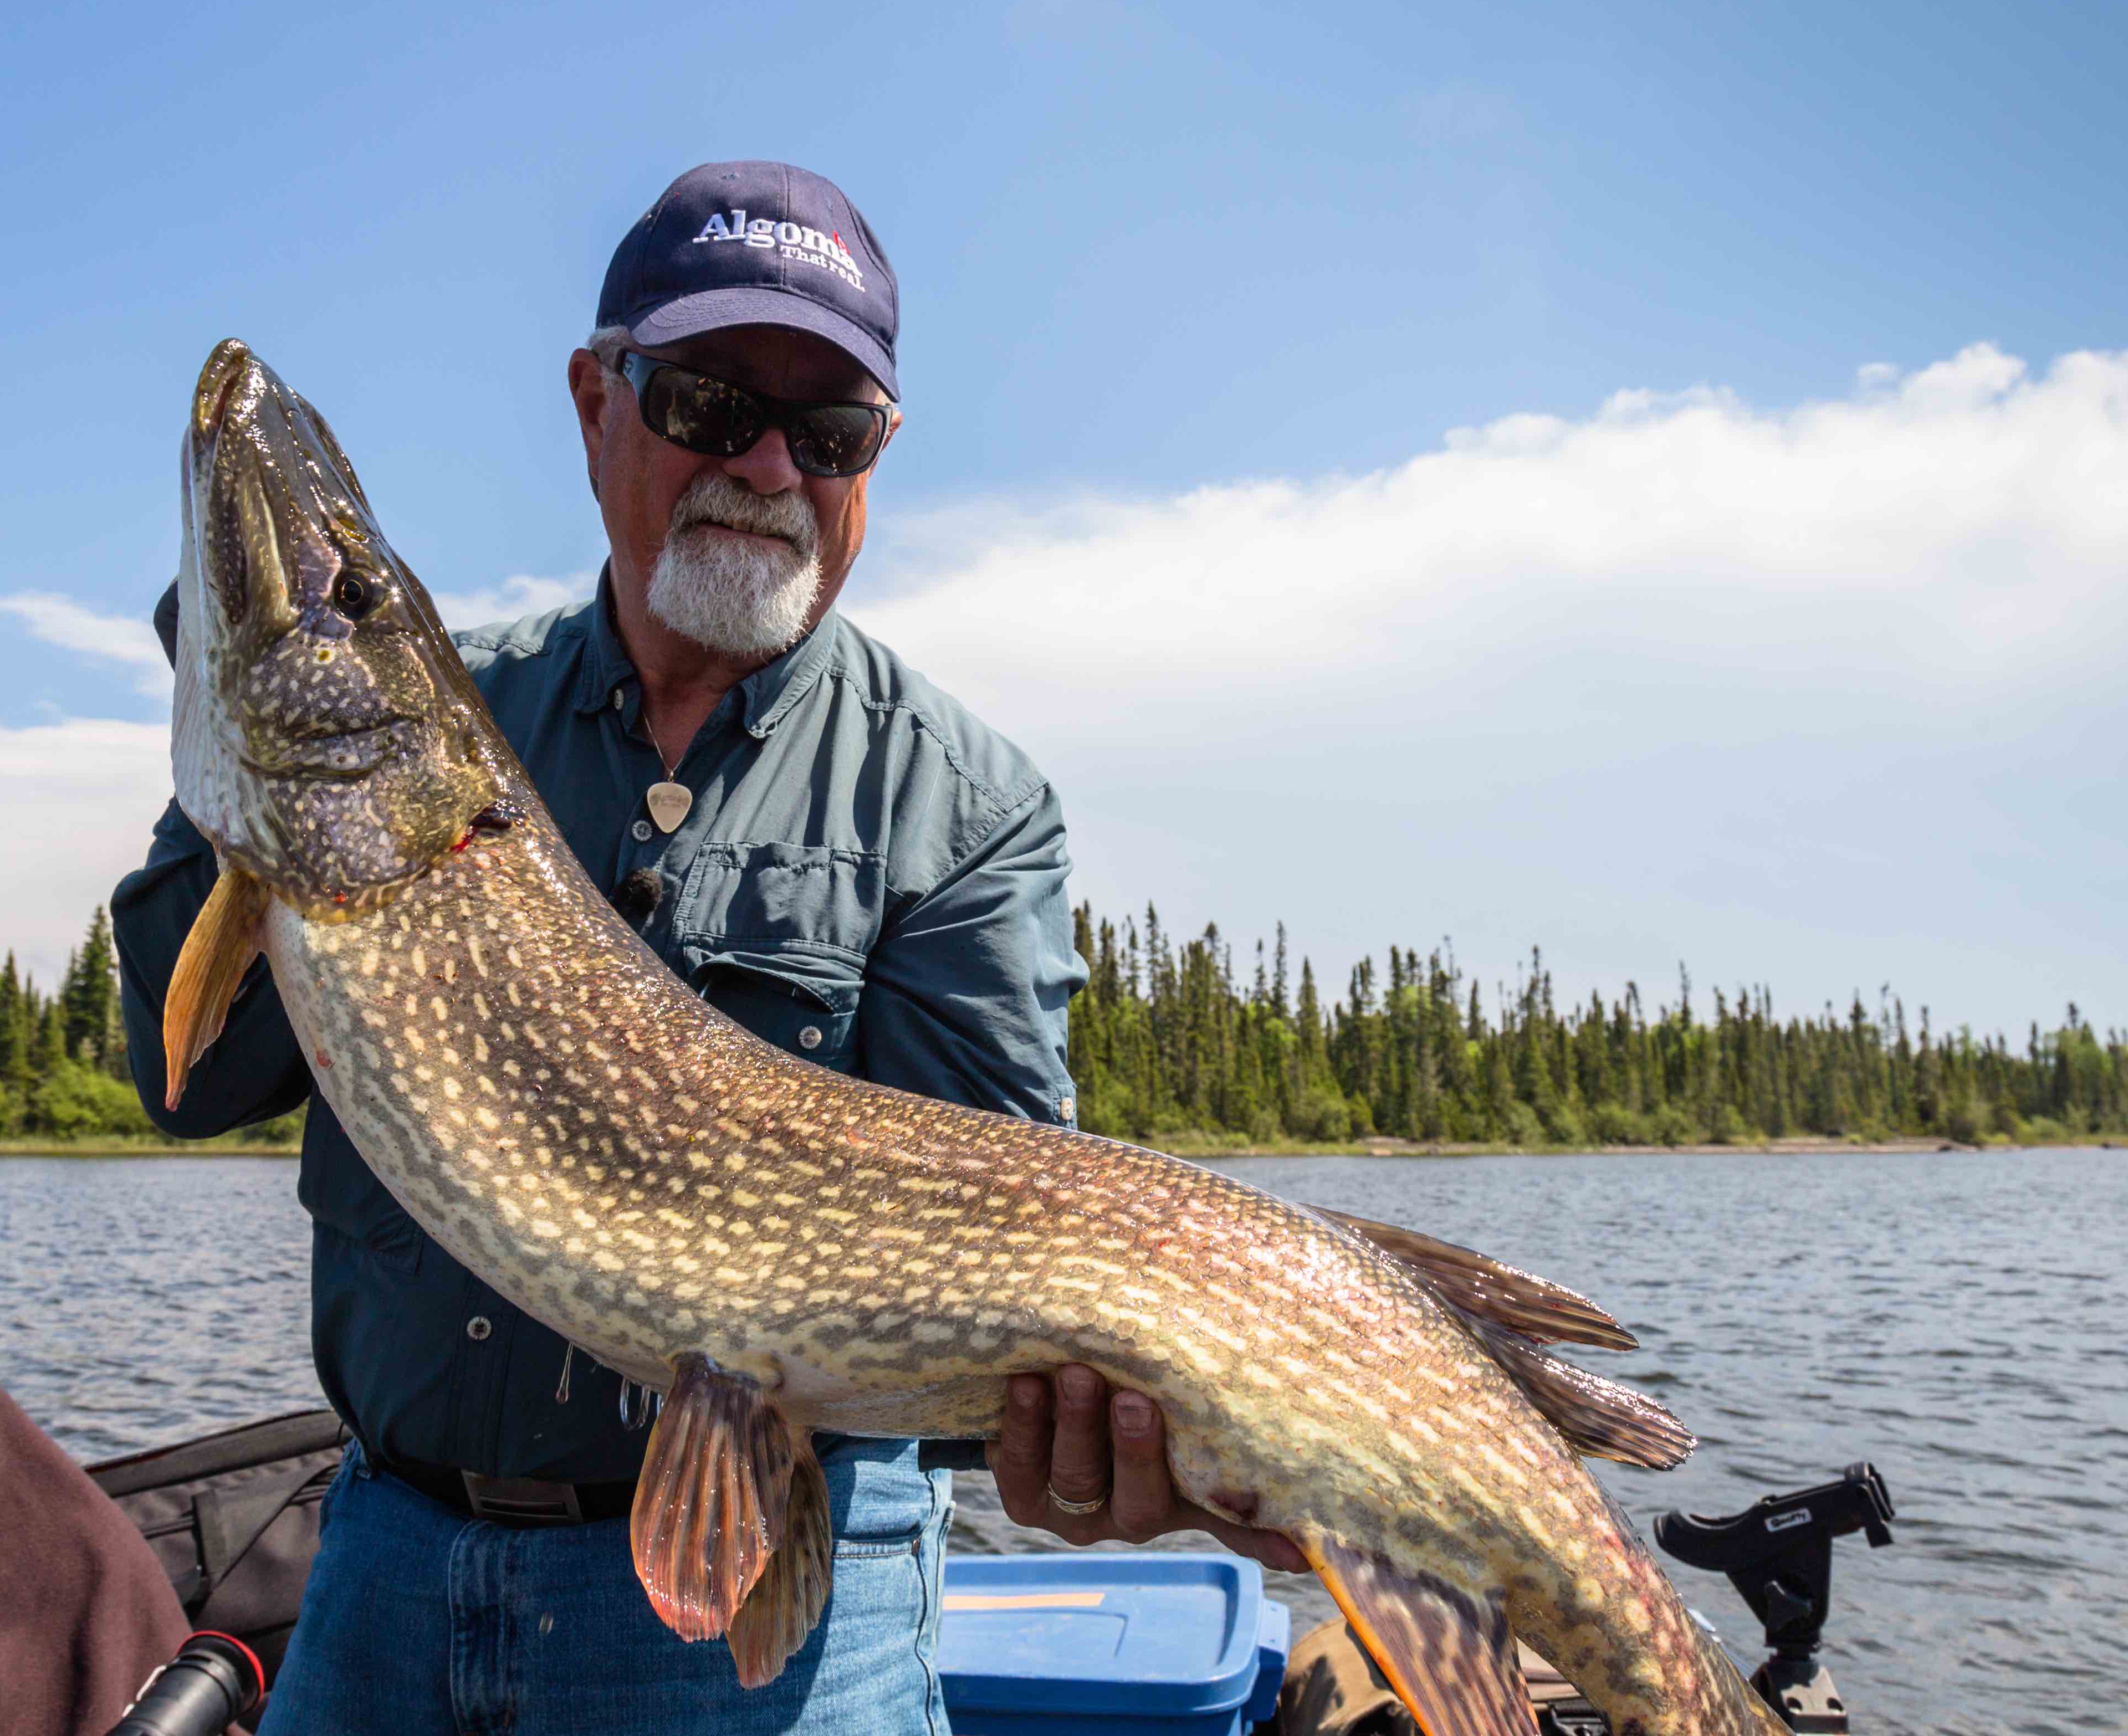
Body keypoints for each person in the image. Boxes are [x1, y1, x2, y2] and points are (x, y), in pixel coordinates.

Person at [112, 160, 1298, 1736]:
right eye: (706, 402)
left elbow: (999, 1261)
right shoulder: (445, 720)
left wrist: (1093, 1443)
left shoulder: (962, 803)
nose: (764, 464)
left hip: (771, 1621)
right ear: (597, 402)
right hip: (381, 1565)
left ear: (875, 463)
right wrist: (243, 737)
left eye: (828, 434)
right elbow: (190, 1082)